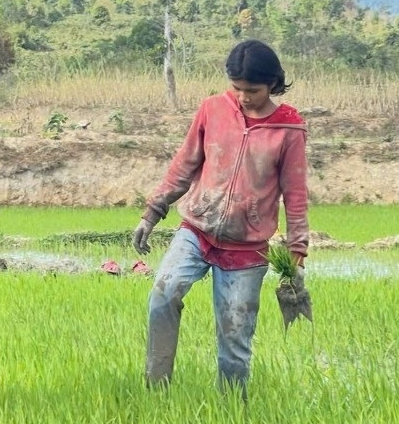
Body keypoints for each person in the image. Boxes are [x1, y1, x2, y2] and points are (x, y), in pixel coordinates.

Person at [132, 39, 309, 394]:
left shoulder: (289, 129)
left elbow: (295, 195)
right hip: (197, 230)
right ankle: (156, 389)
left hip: (247, 249)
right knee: (163, 296)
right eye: (237, 88)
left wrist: (297, 251)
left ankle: (231, 410)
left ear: (272, 83)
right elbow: (184, 164)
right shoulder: (212, 109)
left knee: (234, 339)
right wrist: (152, 213)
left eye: (253, 90)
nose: (244, 97)